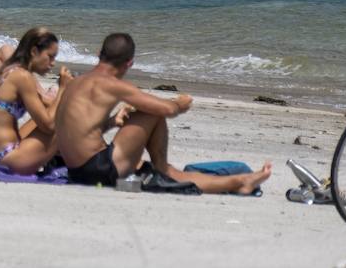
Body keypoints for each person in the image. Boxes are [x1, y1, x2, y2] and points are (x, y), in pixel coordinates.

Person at [55, 32, 271, 193]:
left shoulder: (76, 83)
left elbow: (80, 130)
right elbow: (166, 110)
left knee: (174, 172)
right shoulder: (111, 84)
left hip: (77, 170)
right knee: (152, 112)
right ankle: (166, 170)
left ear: (99, 55)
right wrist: (180, 102)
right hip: (98, 169)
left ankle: (237, 181)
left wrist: (112, 122)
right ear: (129, 63)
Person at [0, 27, 73, 175]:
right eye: (50, 57)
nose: (53, 63)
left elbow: (46, 105)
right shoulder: (23, 77)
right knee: (64, 118)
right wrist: (63, 89)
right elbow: (48, 125)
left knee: (54, 112)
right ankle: (84, 165)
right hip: (10, 160)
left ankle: (58, 159)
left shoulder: (7, 71)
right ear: (34, 52)